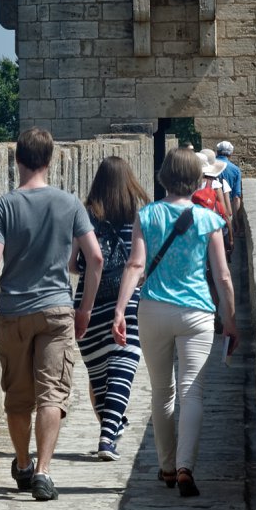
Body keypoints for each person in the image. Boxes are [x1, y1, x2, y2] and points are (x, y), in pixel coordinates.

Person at [0, 126, 103, 502]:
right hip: (57, 309)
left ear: (17, 159)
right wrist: (85, 309)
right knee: (52, 394)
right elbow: (94, 258)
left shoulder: (2, 206)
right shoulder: (70, 204)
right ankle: (44, 471)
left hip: (13, 312)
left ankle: (24, 463)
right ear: (50, 160)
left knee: (17, 396)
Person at [113, 146, 237, 498]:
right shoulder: (209, 220)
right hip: (197, 314)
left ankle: (166, 466)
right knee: (192, 392)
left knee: (162, 391)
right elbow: (223, 277)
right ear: (196, 180)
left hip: (152, 309)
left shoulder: (147, 215)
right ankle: (185, 467)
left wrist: (120, 310)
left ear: (163, 177)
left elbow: (136, 266)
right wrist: (230, 321)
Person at [74, 155, 148, 462]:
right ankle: (109, 433)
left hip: (88, 302)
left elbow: (73, 262)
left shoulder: (85, 214)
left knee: (99, 374)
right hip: (128, 301)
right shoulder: (140, 215)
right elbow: (141, 262)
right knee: (122, 369)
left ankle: (108, 430)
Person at [212, 140, 244, 249]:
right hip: (225, 209)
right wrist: (236, 222)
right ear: (230, 154)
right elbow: (236, 198)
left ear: (217, 152)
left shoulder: (210, 167)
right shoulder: (235, 170)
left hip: (209, 206)